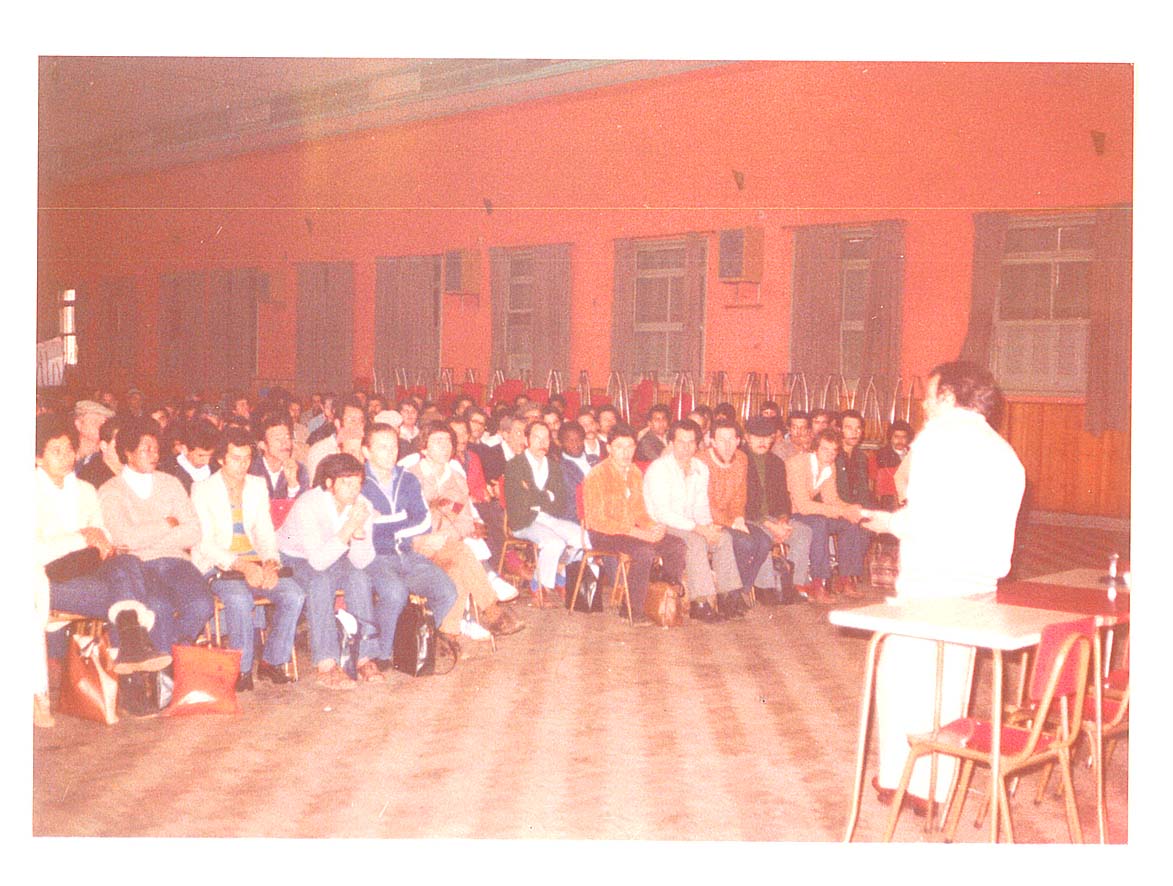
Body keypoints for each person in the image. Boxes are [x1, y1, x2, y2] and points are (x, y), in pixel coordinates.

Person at [860, 361, 1025, 815]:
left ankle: (896, 781)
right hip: (980, 587)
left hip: (932, 582)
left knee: (900, 681)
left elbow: (925, 519)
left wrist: (886, 522)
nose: (924, 404)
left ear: (950, 397)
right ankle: (933, 791)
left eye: (930, 395)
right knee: (950, 690)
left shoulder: (936, 439)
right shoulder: (1004, 452)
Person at [35, 414, 160, 667]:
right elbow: (35, 552)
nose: (66, 456)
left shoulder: (85, 490)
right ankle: (129, 657)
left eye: (69, 449)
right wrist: (81, 536)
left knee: (128, 563)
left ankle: (129, 654)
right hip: (45, 579)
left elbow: (104, 535)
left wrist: (97, 539)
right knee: (134, 598)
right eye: (56, 451)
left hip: (87, 569)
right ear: (38, 456)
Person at [192, 426, 306, 692]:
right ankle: (241, 669)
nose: (242, 465)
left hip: (254, 561)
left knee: (294, 594)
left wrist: (270, 563)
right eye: (235, 458)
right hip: (219, 564)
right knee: (239, 599)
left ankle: (272, 661)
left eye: (246, 459)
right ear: (221, 459)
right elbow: (204, 543)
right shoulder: (202, 489)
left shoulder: (256, 485)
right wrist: (242, 566)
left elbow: (265, 532)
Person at [98, 416, 215, 656]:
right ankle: (167, 667)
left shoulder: (170, 483)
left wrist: (146, 537)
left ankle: (169, 656)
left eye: (156, 449)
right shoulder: (111, 490)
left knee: (202, 605)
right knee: (159, 607)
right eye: (146, 449)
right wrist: (167, 523)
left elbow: (194, 531)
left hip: (177, 562)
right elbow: (124, 539)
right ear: (128, 453)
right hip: (140, 566)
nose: (154, 455)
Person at [404, 422, 524, 637]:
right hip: (416, 546)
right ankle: (493, 611)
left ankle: (448, 635)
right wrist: (428, 536)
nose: (445, 446)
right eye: (437, 441)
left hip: (448, 546)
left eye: (448, 441)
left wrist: (447, 534)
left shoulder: (457, 479)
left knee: (458, 568)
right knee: (462, 553)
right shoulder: (410, 478)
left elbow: (465, 519)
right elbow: (405, 520)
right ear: (424, 448)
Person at [360, 422, 460, 658]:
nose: (391, 453)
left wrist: (384, 521)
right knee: (395, 593)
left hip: (408, 553)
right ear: (366, 451)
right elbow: (365, 529)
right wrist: (402, 519)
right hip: (375, 556)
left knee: (447, 592)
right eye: (383, 447)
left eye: (394, 446)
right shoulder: (358, 482)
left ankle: (408, 642)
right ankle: (382, 654)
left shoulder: (408, 480)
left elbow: (424, 522)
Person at [276, 453, 376, 689]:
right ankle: (326, 663)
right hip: (294, 557)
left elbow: (361, 562)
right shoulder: (309, 504)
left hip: (333, 554)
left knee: (359, 578)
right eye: (346, 483)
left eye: (358, 483)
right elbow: (317, 562)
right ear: (330, 483)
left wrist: (358, 532)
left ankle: (364, 657)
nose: (354, 490)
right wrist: (349, 527)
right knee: (320, 581)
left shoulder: (363, 505)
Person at [582, 423, 686, 623]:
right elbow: (597, 520)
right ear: (609, 448)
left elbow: (639, 511)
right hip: (603, 533)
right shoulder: (597, 475)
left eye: (630, 447)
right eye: (619, 447)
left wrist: (653, 527)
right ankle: (631, 609)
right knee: (643, 551)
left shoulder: (635, 472)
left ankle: (664, 596)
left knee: (676, 545)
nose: (625, 453)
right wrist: (638, 533)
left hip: (630, 531)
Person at [642, 419, 743, 623]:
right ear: (671, 443)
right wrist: (699, 529)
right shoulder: (659, 469)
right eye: (681, 442)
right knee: (695, 542)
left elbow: (701, 505)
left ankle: (728, 597)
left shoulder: (700, 468)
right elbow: (662, 513)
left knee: (723, 538)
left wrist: (708, 527)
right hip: (662, 526)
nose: (686, 447)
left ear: (698, 444)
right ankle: (701, 602)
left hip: (690, 525)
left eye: (691, 442)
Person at [503, 420, 586, 607]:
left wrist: (536, 497)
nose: (542, 443)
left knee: (583, 539)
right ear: (526, 440)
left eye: (546, 438)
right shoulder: (514, 465)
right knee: (554, 543)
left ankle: (560, 576)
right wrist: (547, 496)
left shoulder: (554, 466)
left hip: (549, 518)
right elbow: (521, 501)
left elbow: (560, 502)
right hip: (524, 521)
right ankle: (538, 587)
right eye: (536, 438)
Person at [785, 428, 870, 604]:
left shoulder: (829, 466)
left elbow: (831, 499)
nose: (830, 455)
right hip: (790, 513)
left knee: (850, 523)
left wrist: (851, 509)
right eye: (825, 449)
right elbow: (803, 506)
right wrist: (843, 511)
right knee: (819, 523)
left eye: (834, 451)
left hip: (809, 512)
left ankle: (846, 578)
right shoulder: (797, 464)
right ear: (815, 448)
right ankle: (818, 583)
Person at [701, 417, 768, 616]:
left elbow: (740, 494)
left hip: (732, 519)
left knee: (764, 541)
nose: (727, 444)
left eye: (732, 439)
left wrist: (738, 518)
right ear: (712, 441)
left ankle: (741, 589)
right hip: (707, 520)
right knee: (745, 543)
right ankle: (728, 595)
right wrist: (731, 523)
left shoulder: (741, 459)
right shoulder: (702, 461)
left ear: (739, 440)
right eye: (722, 439)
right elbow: (705, 503)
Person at [743, 416, 812, 599]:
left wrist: (783, 520)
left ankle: (795, 585)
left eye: (767, 437)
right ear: (747, 437)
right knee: (764, 535)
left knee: (803, 532)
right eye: (757, 437)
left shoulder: (776, 462)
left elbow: (783, 498)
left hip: (774, 518)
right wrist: (771, 525)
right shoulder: (740, 460)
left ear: (773, 438)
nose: (762, 441)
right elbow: (742, 504)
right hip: (749, 518)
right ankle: (766, 588)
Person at [249, 412, 309, 500]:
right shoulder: (250, 470)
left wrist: (292, 485)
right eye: (277, 439)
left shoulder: (299, 470)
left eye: (287, 437)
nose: (285, 443)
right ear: (263, 445)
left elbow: (304, 505)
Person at [159, 418, 221, 493]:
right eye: (201, 456)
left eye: (210, 455)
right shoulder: (169, 474)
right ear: (184, 449)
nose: (207, 461)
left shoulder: (218, 468)